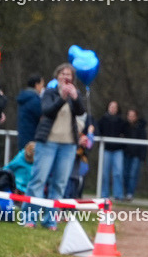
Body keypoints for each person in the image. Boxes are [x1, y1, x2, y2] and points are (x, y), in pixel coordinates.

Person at [22, 64, 87, 230]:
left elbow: (81, 112)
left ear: (73, 78)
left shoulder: (76, 94)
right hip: (47, 142)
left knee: (59, 184)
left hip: (68, 145)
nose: (65, 77)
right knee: (38, 180)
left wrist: (75, 98)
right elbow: (47, 111)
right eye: (62, 73)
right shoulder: (49, 93)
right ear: (57, 76)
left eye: (69, 74)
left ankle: (50, 220)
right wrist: (62, 98)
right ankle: (29, 218)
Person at [97, 100, 127, 200]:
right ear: (108, 107)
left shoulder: (121, 122)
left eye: (115, 107)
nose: (113, 109)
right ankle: (104, 195)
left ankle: (118, 195)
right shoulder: (102, 120)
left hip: (118, 150)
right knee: (104, 173)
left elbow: (125, 134)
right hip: (106, 150)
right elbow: (98, 131)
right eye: (111, 106)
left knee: (118, 173)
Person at [122, 108, 147, 201]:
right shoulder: (124, 126)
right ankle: (125, 192)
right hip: (126, 154)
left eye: (133, 116)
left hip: (136, 155)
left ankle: (130, 193)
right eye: (129, 116)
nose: (131, 118)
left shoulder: (141, 127)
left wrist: (143, 155)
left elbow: (143, 143)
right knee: (125, 174)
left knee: (133, 175)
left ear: (136, 117)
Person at [15, 75, 43, 150]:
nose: (42, 87)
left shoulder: (24, 98)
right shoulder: (34, 100)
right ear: (36, 85)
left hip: (22, 134)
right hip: (32, 135)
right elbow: (41, 114)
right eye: (41, 84)